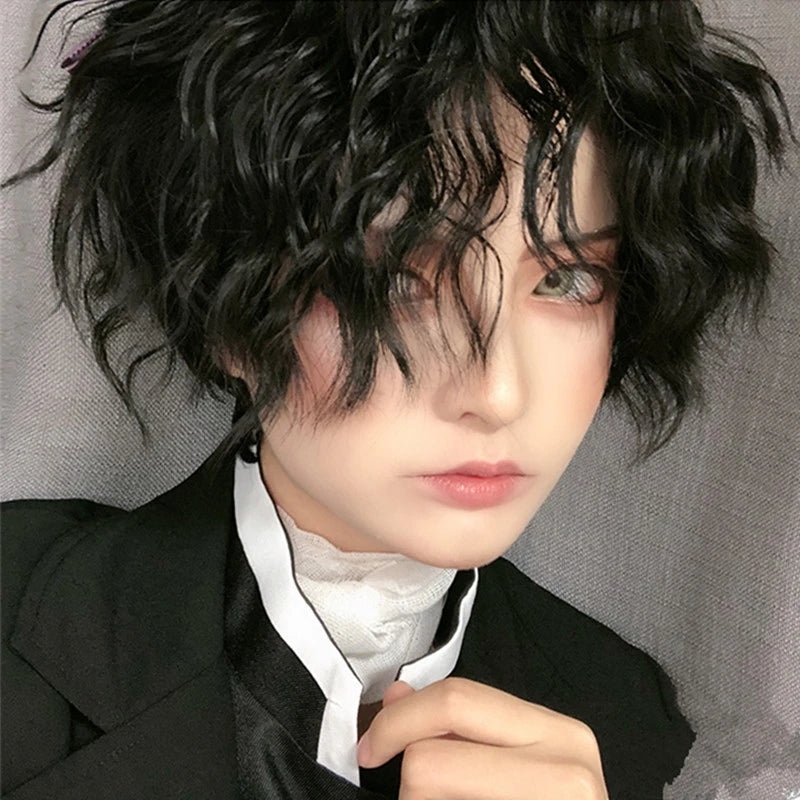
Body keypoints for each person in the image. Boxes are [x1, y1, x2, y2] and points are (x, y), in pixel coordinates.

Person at [0, 1, 792, 798]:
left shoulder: (626, 719)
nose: (498, 392)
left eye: (566, 279)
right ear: (221, 310)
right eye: (392, 283)